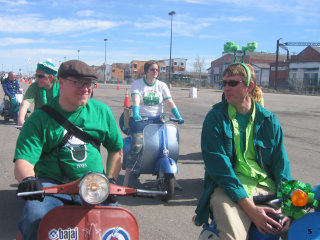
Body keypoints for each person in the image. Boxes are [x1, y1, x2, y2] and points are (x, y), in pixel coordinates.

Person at [14, 59, 124, 240]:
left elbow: (116, 150)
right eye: (78, 83)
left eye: (88, 83)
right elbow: (24, 160)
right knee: (34, 218)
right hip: (53, 186)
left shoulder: (102, 111)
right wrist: (28, 179)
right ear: (61, 82)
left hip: (93, 186)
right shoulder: (39, 118)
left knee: (116, 226)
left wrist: (111, 180)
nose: (85, 88)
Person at [194, 63, 292, 240]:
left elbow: (281, 166)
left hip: (264, 187)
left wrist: (287, 205)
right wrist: (252, 211)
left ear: (250, 86)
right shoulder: (215, 118)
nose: (226, 88)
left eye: (232, 83)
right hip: (227, 189)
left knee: (300, 228)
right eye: (223, 83)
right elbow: (220, 170)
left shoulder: (269, 120)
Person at [123, 60, 184, 188]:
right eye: (152, 69)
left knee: (167, 145)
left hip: (157, 119)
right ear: (146, 71)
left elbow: (169, 101)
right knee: (137, 145)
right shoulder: (138, 84)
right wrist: (136, 111)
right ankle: (126, 180)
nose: (155, 71)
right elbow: (135, 99)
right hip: (141, 120)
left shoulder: (161, 85)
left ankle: (172, 177)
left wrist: (177, 115)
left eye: (157, 69)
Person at [17, 59, 59, 126]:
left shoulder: (61, 86)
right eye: (36, 75)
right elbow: (25, 104)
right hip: (40, 121)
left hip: (58, 123)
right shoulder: (35, 86)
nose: (37, 78)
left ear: (50, 77)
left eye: (40, 76)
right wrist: (21, 120)